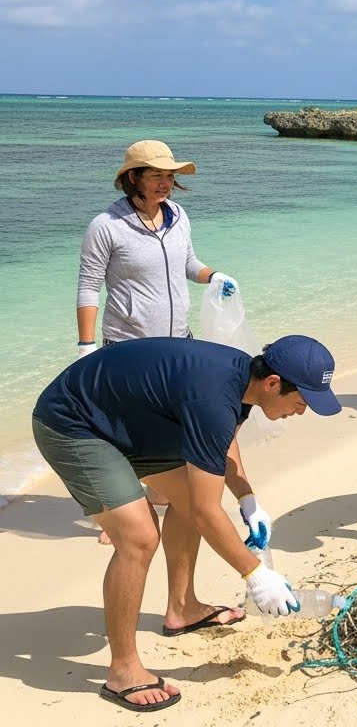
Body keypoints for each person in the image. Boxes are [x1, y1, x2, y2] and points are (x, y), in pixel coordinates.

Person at [31, 335, 342, 712]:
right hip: (73, 423)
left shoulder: (244, 381)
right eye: (302, 400)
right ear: (273, 383)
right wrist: (256, 575)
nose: (302, 411)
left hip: (131, 421)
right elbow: (206, 512)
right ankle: (123, 670)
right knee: (140, 537)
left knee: (185, 497)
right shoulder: (213, 396)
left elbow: (223, 442)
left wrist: (247, 498)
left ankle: (182, 608)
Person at [77, 139, 240, 543]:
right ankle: (120, 514)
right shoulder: (106, 226)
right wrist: (85, 349)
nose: (166, 183)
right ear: (133, 177)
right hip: (128, 348)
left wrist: (214, 276)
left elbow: (188, 263)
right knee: (125, 434)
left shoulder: (179, 216)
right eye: (157, 176)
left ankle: (155, 492)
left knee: (167, 427)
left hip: (176, 345)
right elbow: (88, 288)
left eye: (170, 176)